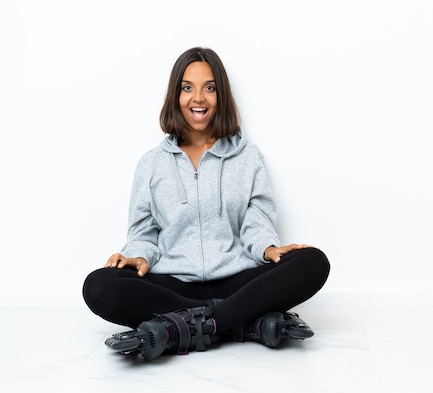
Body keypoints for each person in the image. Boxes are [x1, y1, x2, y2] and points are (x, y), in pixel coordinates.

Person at [82, 47, 330, 361]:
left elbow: (258, 219)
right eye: (188, 88)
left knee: (312, 261)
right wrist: (136, 256)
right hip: (174, 285)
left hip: (237, 281)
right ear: (176, 95)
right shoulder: (152, 164)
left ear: (221, 95)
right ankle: (242, 322)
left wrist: (269, 248)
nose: (198, 98)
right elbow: (144, 232)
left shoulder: (248, 157)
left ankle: (181, 327)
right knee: (99, 286)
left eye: (209, 88)